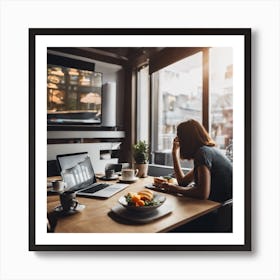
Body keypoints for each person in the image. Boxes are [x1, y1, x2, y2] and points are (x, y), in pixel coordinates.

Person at [155, 119, 232, 203]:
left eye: (179, 136)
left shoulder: (202, 153)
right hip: (224, 206)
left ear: (186, 139)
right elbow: (182, 182)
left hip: (221, 209)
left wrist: (175, 188)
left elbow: (202, 194)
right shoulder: (208, 151)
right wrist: (174, 153)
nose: (178, 140)